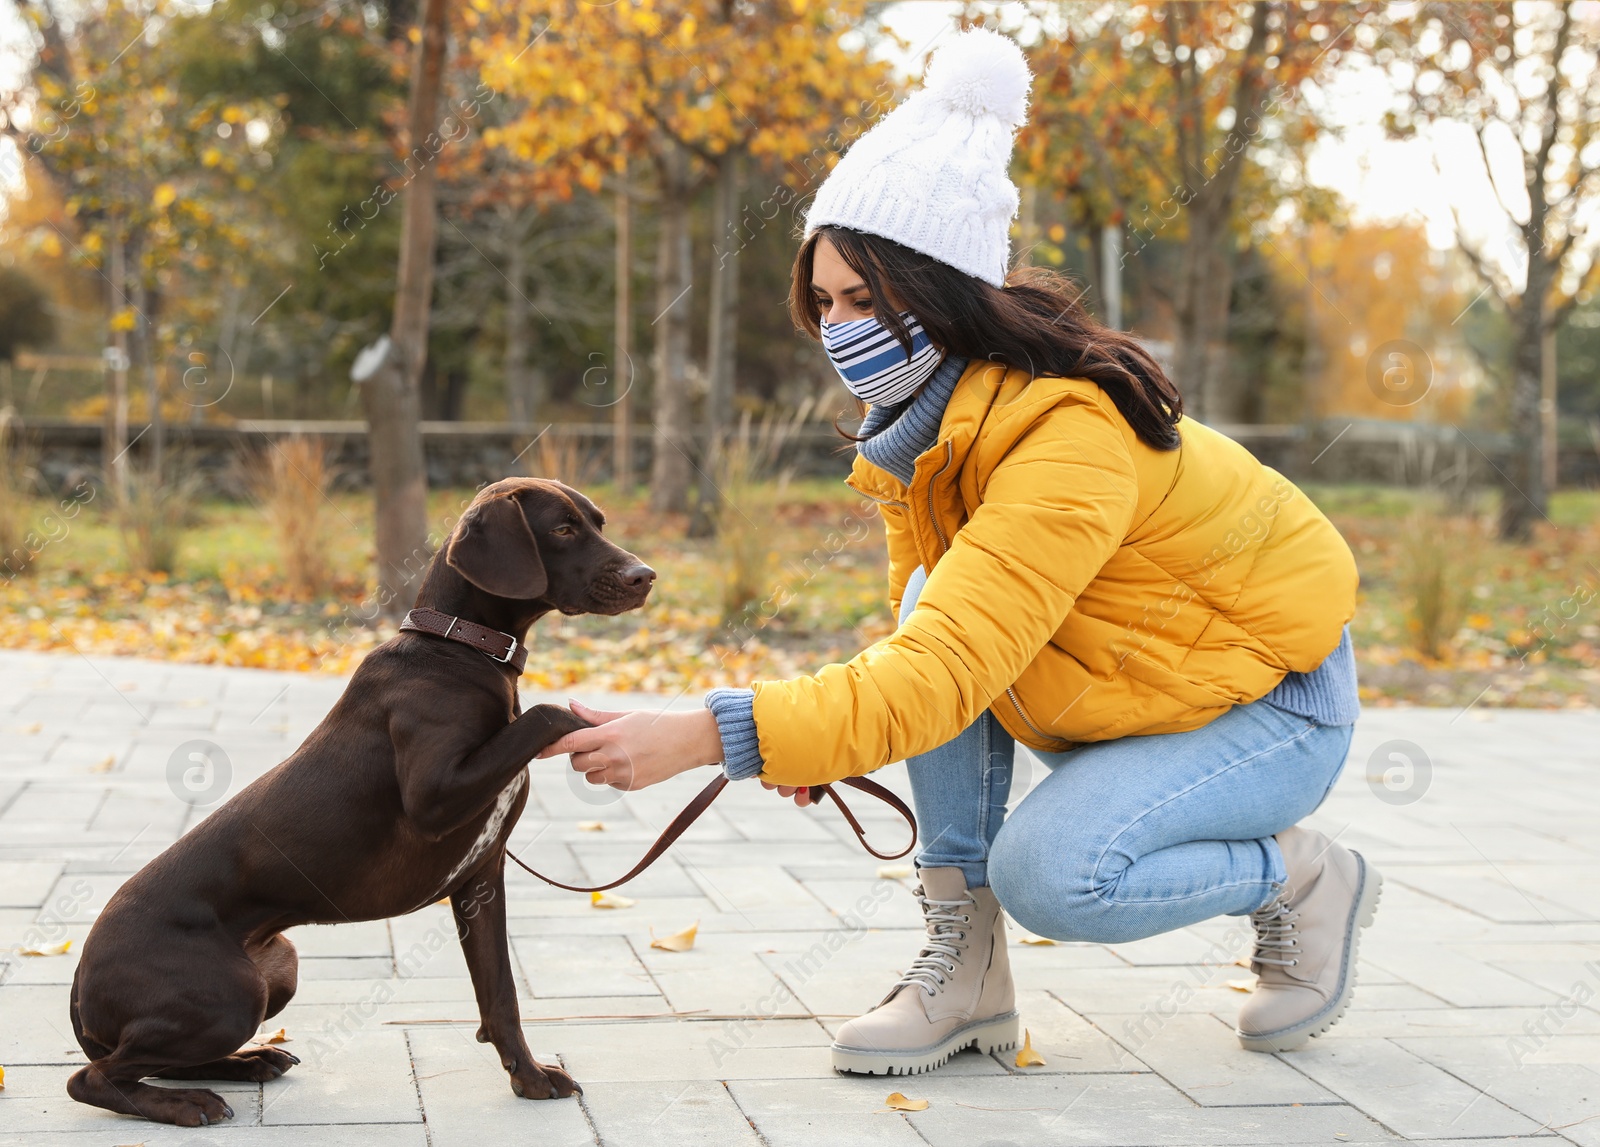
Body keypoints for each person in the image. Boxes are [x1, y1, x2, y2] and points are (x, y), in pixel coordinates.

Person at [539, 27, 1378, 1076]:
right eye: (826, 304)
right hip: (1134, 689)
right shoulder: (919, 436)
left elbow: (937, 676)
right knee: (930, 607)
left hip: (1265, 703)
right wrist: (819, 737)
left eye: (865, 301)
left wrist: (707, 735)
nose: (839, 328)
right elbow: (930, 647)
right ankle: (968, 972)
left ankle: (1296, 876)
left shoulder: (1067, 433)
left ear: (939, 294)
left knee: (1056, 874)